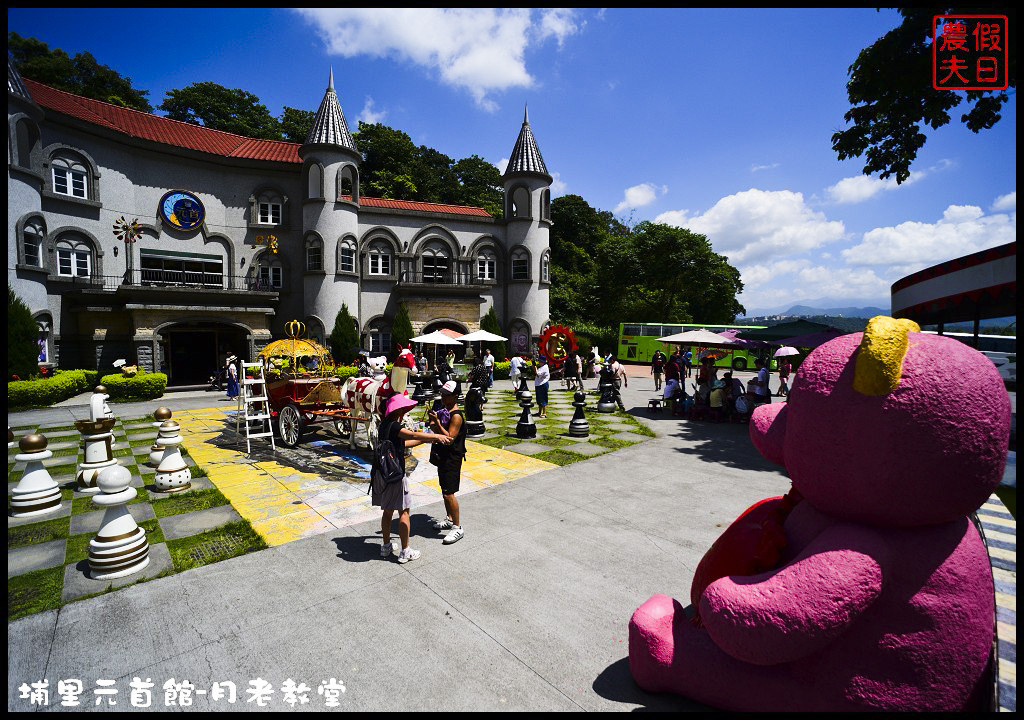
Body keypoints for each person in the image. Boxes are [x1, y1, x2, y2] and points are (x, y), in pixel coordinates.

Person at [374, 395, 452, 563]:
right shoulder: (395, 426)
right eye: (403, 410)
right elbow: (412, 435)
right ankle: (405, 551)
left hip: (383, 474)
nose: (405, 412)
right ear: (398, 410)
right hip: (395, 475)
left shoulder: (384, 426)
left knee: (387, 511)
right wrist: (436, 437)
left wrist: (425, 440)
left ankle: (386, 546)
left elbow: (402, 445)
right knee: (404, 512)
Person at [427, 381, 469, 545]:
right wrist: (433, 422)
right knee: (444, 488)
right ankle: (450, 518)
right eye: (442, 394)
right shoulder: (444, 411)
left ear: (455, 396)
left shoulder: (456, 416)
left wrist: (437, 424)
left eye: (446, 394)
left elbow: (449, 439)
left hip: (452, 457)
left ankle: (457, 527)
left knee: (448, 492)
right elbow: (438, 433)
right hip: (443, 456)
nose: (443, 397)